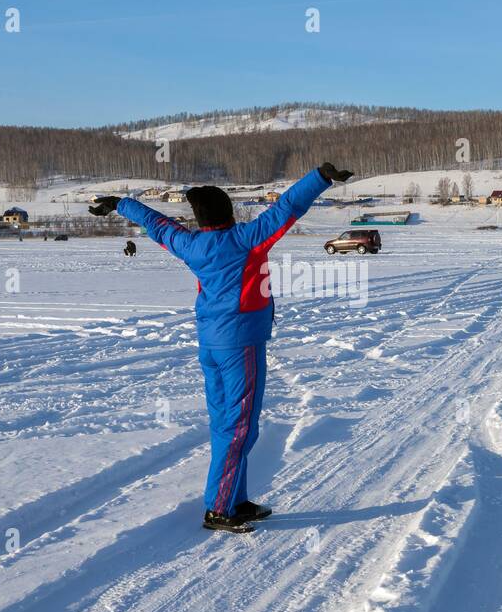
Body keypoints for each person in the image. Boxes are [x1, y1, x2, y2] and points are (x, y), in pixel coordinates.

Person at [90, 162, 352, 533]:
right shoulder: (246, 239)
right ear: (228, 211)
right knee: (241, 427)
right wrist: (321, 177)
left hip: (211, 344)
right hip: (240, 344)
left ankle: (236, 500)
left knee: (225, 424)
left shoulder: (192, 244)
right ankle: (218, 509)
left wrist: (120, 203)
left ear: (200, 218)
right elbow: (288, 207)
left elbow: (157, 224)